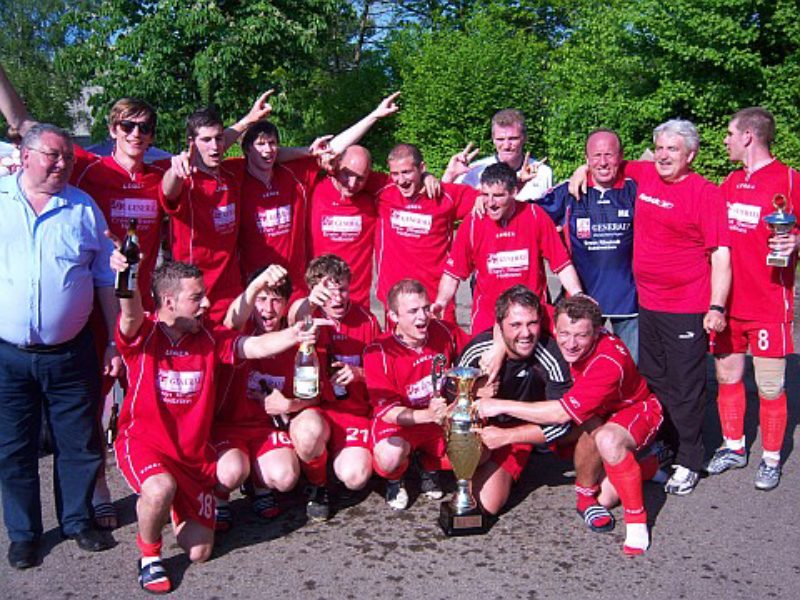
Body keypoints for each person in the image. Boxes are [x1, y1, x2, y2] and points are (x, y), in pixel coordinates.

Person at [110, 255, 319, 593]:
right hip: (146, 445)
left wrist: (294, 334)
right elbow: (131, 312)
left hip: (192, 457)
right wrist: (128, 274)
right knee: (159, 487)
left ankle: (173, 505)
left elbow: (252, 346)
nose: (207, 303)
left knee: (200, 551)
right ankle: (149, 554)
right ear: (168, 302)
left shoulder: (208, 336)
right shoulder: (144, 333)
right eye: (196, 297)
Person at [571, 119, 731, 495]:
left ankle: (691, 459)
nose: (663, 155)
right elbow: (604, 162)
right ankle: (665, 444)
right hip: (647, 303)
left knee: (686, 384)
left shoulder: (703, 193)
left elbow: (721, 254)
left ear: (690, 155)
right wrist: (582, 168)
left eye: (672, 150)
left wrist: (717, 306)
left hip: (686, 305)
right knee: (654, 380)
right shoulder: (645, 174)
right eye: (659, 148)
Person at [0, 124, 117, 569]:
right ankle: (24, 534)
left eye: (67, 156)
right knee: (14, 448)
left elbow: (106, 279)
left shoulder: (83, 208)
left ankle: (77, 519)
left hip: (70, 351)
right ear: (25, 156)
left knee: (80, 444)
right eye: (52, 155)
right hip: (9, 354)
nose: (62, 164)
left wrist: (113, 343)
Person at [480, 296, 663, 554]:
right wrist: (499, 348)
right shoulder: (560, 314)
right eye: (564, 334)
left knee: (606, 449)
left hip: (634, 411)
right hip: (596, 411)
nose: (570, 343)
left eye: (581, 336)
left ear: (598, 331)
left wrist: (500, 406)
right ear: (555, 323)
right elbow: (510, 312)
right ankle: (647, 466)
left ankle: (635, 521)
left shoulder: (607, 363)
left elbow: (560, 414)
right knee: (606, 477)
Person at [707, 107, 800, 490]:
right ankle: (734, 446)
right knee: (727, 376)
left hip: (767, 303)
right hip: (728, 304)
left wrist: (797, 240)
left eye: (730, 133)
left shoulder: (790, 179)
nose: (725, 140)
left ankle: (772, 458)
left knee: (769, 385)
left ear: (748, 136)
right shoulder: (730, 182)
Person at [233, 92, 401, 290]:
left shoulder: (294, 173)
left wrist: (375, 115)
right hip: (255, 283)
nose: (268, 150)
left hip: (294, 284)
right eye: (260, 144)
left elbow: (332, 148)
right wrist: (247, 121)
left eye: (272, 143)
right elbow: (209, 154)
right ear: (246, 150)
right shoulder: (235, 175)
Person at [214, 265, 328, 529]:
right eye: (261, 300)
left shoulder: (301, 341)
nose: (268, 308)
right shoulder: (241, 330)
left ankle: (258, 484)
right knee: (229, 472)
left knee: (285, 478)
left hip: (265, 429)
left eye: (276, 300)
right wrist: (254, 287)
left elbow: (315, 394)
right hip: (229, 427)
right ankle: (217, 496)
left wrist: (290, 404)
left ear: (286, 304)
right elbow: (232, 319)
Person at [456, 286, 575, 517]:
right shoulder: (477, 352)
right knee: (467, 468)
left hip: (521, 432)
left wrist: (508, 436)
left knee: (486, 505)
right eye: (516, 325)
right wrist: (472, 395)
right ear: (499, 327)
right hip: (482, 431)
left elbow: (563, 421)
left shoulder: (551, 354)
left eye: (532, 323)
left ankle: (519, 461)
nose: (526, 333)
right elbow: (451, 408)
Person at [433, 163, 582, 334]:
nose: (490, 203)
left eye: (498, 196)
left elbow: (562, 264)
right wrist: (441, 302)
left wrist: (577, 294)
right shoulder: (474, 221)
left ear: (514, 192)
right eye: (485, 195)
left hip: (530, 322)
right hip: (488, 324)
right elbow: (453, 274)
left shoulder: (535, 216)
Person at [287, 254, 382, 517]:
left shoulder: (367, 320)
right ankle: (318, 485)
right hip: (316, 408)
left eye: (342, 289)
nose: (338, 298)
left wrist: (360, 373)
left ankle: (332, 461)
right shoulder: (307, 317)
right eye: (328, 292)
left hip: (352, 412)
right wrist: (308, 303)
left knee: (355, 477)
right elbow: (293, 315)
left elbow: (383, 373)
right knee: (307, 433)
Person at [364, 279, 468, 509]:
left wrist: (484, 380)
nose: (422, 317)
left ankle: (428, 464)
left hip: (437, 418)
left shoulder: (444, 331)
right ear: (393, 316)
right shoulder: (377, 352)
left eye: (425, 308)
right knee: (389, 457)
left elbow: (474, 353)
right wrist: (428, 416)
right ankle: (395, 478)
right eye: (412, 311)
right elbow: (388, 413)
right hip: (402, 425)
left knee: (479, 451)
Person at [538, 129, 639, 361]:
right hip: (580, 297)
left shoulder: (635, 189)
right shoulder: (569, 191)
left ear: (621, 157)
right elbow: (525, 214)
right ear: (586, 159)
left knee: (631, 366)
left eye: (609, 155)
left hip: (629, 301)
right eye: (596, 156)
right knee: (578, 364)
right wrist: (486, 197)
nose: (602, 162)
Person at [375, 144, 478, 322]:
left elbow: (494, 200)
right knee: (399, 349)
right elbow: (349, 172)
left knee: (442, 349)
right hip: (396, 299)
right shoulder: (384, 192)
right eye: (395, 174)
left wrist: (519, 180)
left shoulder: (445, 195)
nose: (400, 180)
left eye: (407, 172)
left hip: (436, 300)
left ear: (422, 168)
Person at [307, 145, 381, 306]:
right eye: (347, 174)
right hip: (319, 296)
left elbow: (407, 181)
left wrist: (426, 176)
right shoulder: (314, 187)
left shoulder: (373, 196)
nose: (352, 184)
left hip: (357, 300)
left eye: (360, 178)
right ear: (337, 166)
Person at [442, 109, 552, 201]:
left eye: (513, 139)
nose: (506, 146)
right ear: (493, 140)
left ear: (524, 138)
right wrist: (449, 176)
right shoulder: (475, 171)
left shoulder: (542, 173)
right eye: (500, 139)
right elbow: (442, 206)